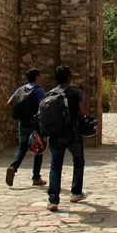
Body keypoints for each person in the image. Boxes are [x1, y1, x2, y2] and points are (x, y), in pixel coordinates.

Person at [46, 64, 86, 211]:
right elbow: (82, 112)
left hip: (55, 135)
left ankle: (53, 201)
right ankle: (75, 193)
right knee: (78, 161)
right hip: (72, 133)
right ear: (69, 77)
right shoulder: (75, 92)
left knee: (55, 165)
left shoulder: (50, 94)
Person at [6, 68, 47, 187]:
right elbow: (42, 106)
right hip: (35, 124)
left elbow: (9, 103)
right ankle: (36, 177)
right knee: (39, 149)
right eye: (40, 76)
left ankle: (13, 167)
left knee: (22, 147)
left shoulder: (21, 89)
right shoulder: (39, 90)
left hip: (22, 123)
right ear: (37, 77)